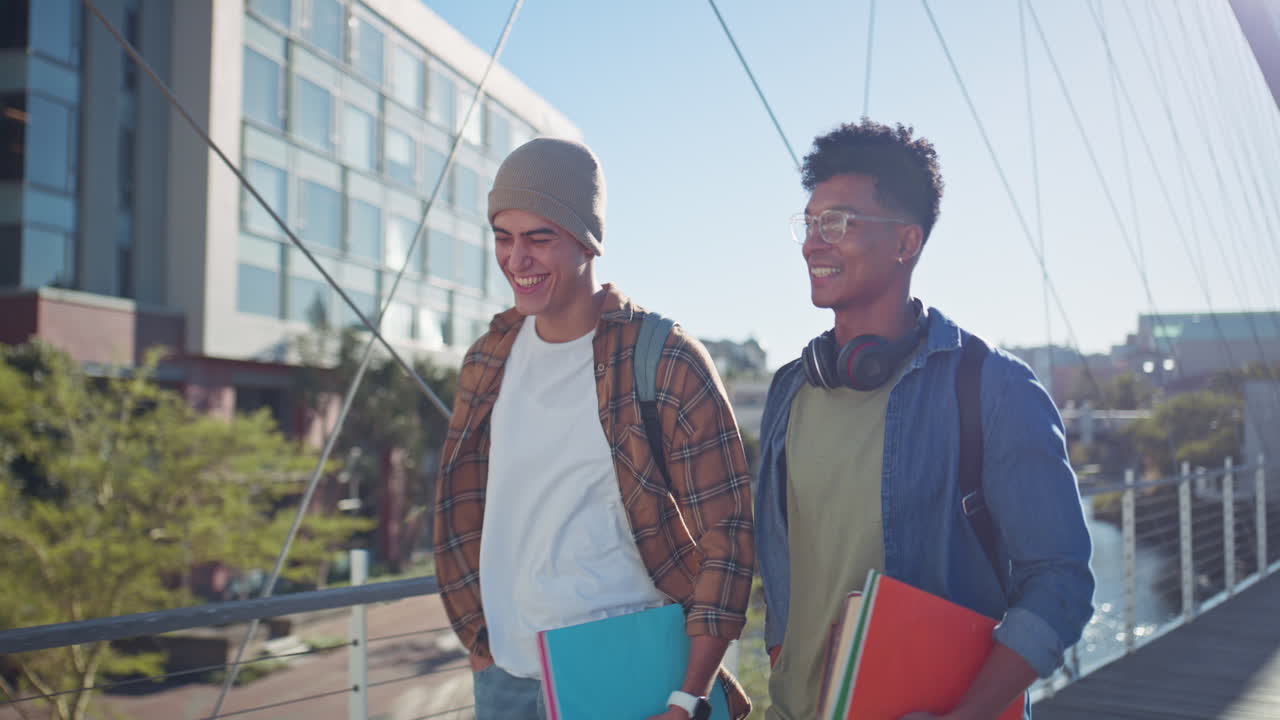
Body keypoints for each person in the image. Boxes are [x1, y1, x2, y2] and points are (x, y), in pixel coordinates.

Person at [755, 119, 1095, 720]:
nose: (812, 243)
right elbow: (785, 563)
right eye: (808, 224)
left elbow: (1061, 582)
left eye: (836, 223)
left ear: (905, 242)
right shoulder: (790, 389)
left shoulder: (995, 388)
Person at [433, 137, 754, 720]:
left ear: (587, 241)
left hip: (626, 680)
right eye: (503, 237)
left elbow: (727, 538)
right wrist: (481, 650)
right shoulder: (488, 359)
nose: (516, 259)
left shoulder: (666, 359)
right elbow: (467, 507)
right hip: (504, 681)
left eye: (539, 237)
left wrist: (688, 697)